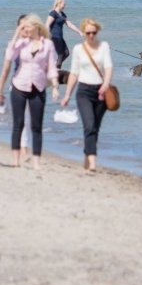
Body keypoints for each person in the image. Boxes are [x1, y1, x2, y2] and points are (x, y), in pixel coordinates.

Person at [0, 13, 59, 170]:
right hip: (19, 86)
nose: (25, 29)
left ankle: (36, 161)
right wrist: (17, 32)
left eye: (27, 26)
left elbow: (51, 67)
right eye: (24, 27)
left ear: (36, 27)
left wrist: (55, 85)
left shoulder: (47, 44)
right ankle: (16, 159)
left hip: (38, 87)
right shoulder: (21, 44)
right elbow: (9, 56)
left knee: (37, 125)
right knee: (19, 123)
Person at [60, 17, 113, 173]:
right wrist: (67, 95)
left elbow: (109, 68)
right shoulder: (78, 49)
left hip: (101, 91)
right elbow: (74, 73)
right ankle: (92, 162)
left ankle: (87, 154)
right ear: (83, 33)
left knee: (95, 127)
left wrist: (105, 84)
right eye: (88, 33)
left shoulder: (104, 47)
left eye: (94, 33)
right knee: (89, 125)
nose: (91, 35)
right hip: (84, 92)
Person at [46, 0, 79, 68]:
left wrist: (79, 32)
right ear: (59, 3)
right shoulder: (53, 13)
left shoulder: (62, 14)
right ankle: (56, 70)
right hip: (54, 37)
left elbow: (70, 24)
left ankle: (54, 66)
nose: (65, 5)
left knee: (66, 53)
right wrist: (47, 35)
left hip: (60, 37)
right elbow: (47, 24)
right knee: (61, 54)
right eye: (64, 4)